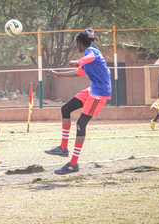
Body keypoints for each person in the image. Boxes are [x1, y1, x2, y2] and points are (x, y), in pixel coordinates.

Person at [44, 29, 112, 175]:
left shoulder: (91, 52)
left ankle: (73, 164)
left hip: (99, 93)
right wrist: (58, 74)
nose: (77, 47)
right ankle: (63, 148)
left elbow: (88, 58)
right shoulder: (89, 58)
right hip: (92, 89)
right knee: (66, 109)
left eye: (77, 44)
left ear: (79, 44)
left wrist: (77, 61)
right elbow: (79, 72)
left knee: (81, 124)